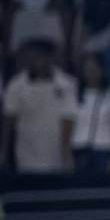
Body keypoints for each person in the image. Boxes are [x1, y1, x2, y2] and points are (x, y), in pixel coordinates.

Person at [1, 39, 76, 181]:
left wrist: (67, 155)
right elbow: (9, 121)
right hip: (26, 155)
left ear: (51, 57)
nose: (38, 60)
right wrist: (3, 152)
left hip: (57, 157)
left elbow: (69, 120)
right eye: (34, 55)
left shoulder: (67, 83)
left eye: (42, 55)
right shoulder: (16, 85)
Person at [71, 53, 110, 179]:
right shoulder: (73, 94)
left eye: (95, 68)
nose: (91, 72)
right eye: (88, 68)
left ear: (102, 70)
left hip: (104, 152)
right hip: (79, 151)